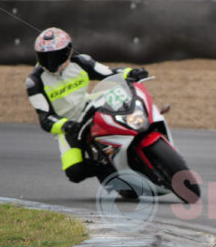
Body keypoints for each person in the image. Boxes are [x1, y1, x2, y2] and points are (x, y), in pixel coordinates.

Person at [25, 27, 148, 189]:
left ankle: (146, 132)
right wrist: (66, 125)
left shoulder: (80, 62)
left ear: (67, 52)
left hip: (89, 106)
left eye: (55, 56)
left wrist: (130, 73)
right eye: (45, 57)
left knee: (126, 104)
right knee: (74, 172)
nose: (51, 62)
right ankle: (105, 170)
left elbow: (108, 73)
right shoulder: (34, 81)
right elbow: (45, 118)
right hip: (67, 125)